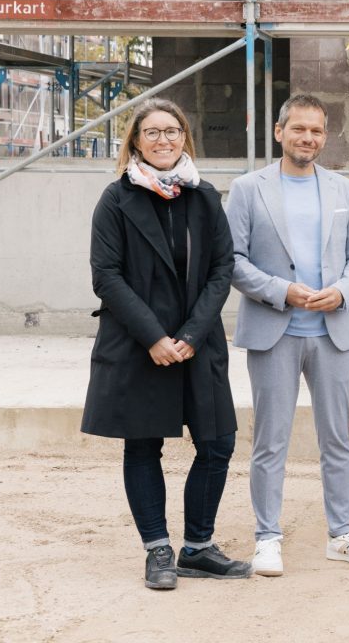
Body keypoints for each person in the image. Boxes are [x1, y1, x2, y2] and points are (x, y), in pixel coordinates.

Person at [83, 98, 251, 590]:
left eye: (172, 131)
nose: (164, 140)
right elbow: (106, 276)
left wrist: (192, 334)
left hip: (198, 341)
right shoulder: (115, 200)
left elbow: (223, 268)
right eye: (152, 132)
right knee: (143, 446)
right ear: (135, 140)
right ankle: (157, 549)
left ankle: (197, 547)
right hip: (140, 344)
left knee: (217, 443)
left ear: (185, 138)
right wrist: (155, 337)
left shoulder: (204, 197)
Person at [226, 93, 349, 575]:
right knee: (270, 440)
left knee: (338, 440)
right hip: (275, 330)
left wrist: (342, 292)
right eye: (298, 129)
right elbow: (231, 260)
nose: (307, 138)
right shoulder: (248, 188)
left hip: (331, 331)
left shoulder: (341, 189)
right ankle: (267, 536)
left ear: (324, 136)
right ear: (279, 132)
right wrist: (280, 290)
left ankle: (342, 533)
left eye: (316, 131)